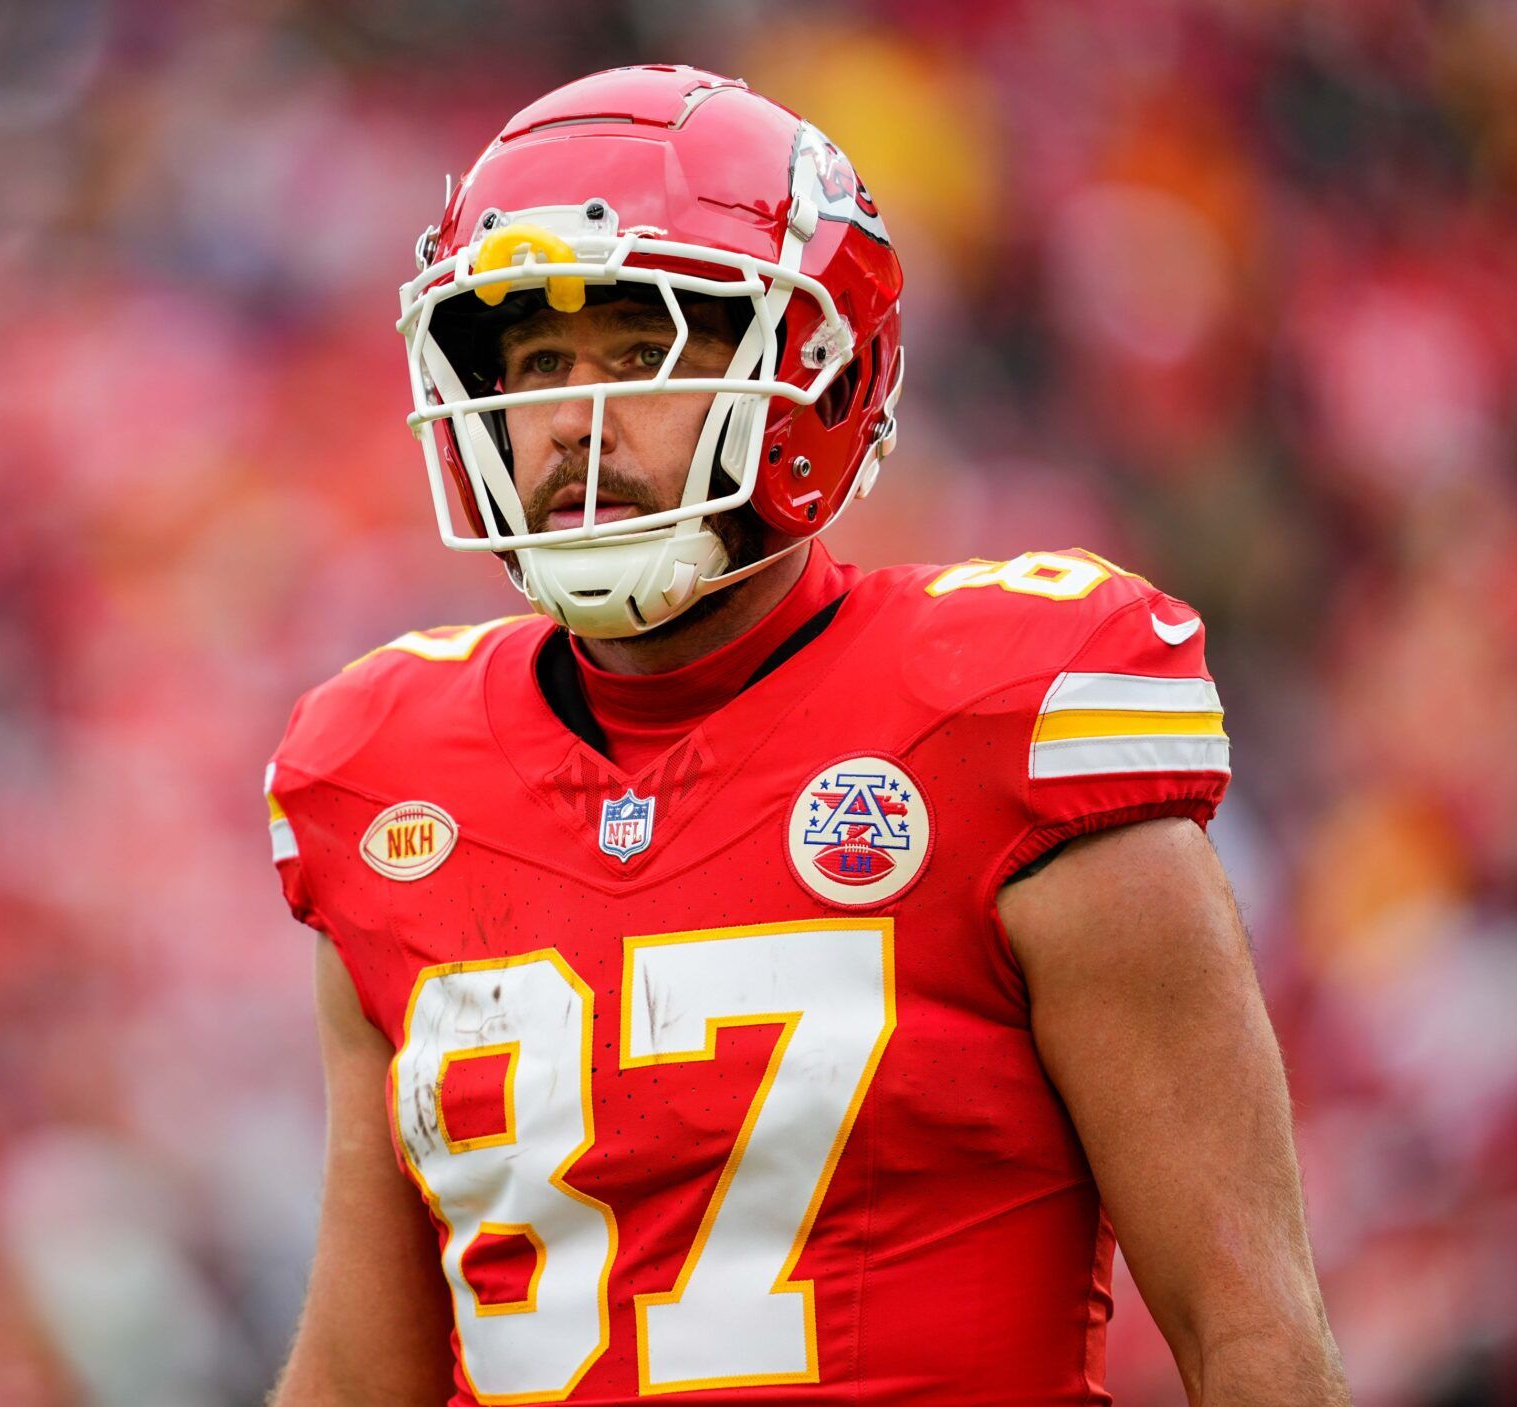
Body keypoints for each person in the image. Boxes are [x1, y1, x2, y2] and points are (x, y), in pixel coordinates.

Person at [263, 64, 1349, 1407]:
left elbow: (1254, 1334)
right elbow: (361, 1376)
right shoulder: (379, 779)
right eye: (539, 363)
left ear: (814, 372)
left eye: (648, 348)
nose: (576, 421)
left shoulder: (1005, 717)